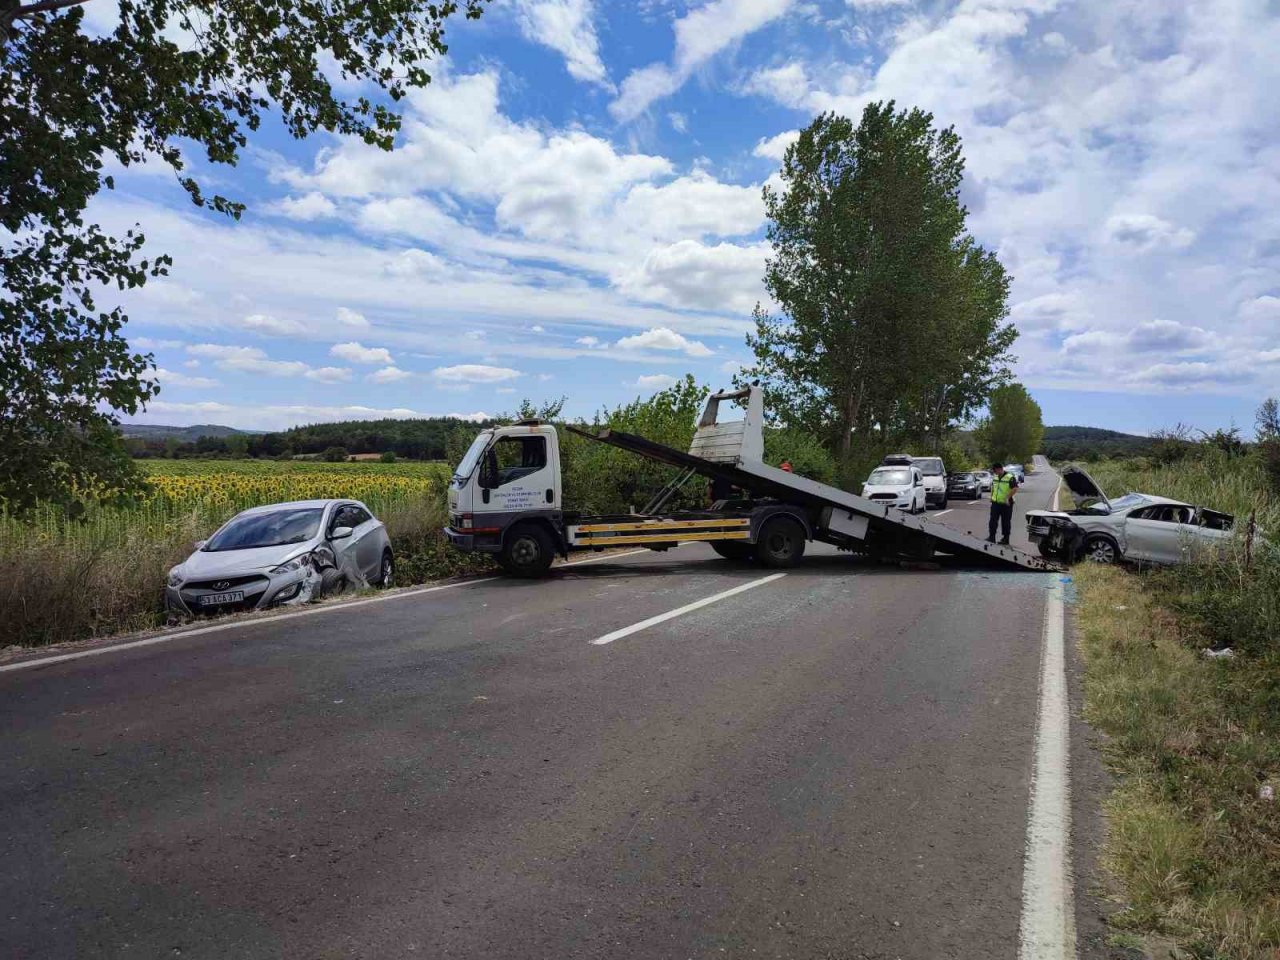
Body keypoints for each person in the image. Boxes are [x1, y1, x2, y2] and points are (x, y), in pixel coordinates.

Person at [987, 461, 1019, 545]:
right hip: (996, 503)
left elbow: (1015, 488)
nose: (995, 473)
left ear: (999, 469)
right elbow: (993, 487)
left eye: (995, 471)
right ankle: (991, 537)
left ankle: (1005, 539)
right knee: (993, 521)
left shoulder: (1010, 477)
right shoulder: (995, 477)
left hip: (1006, 504)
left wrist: (1007, 498)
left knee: (1005, 522)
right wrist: (991, 497)